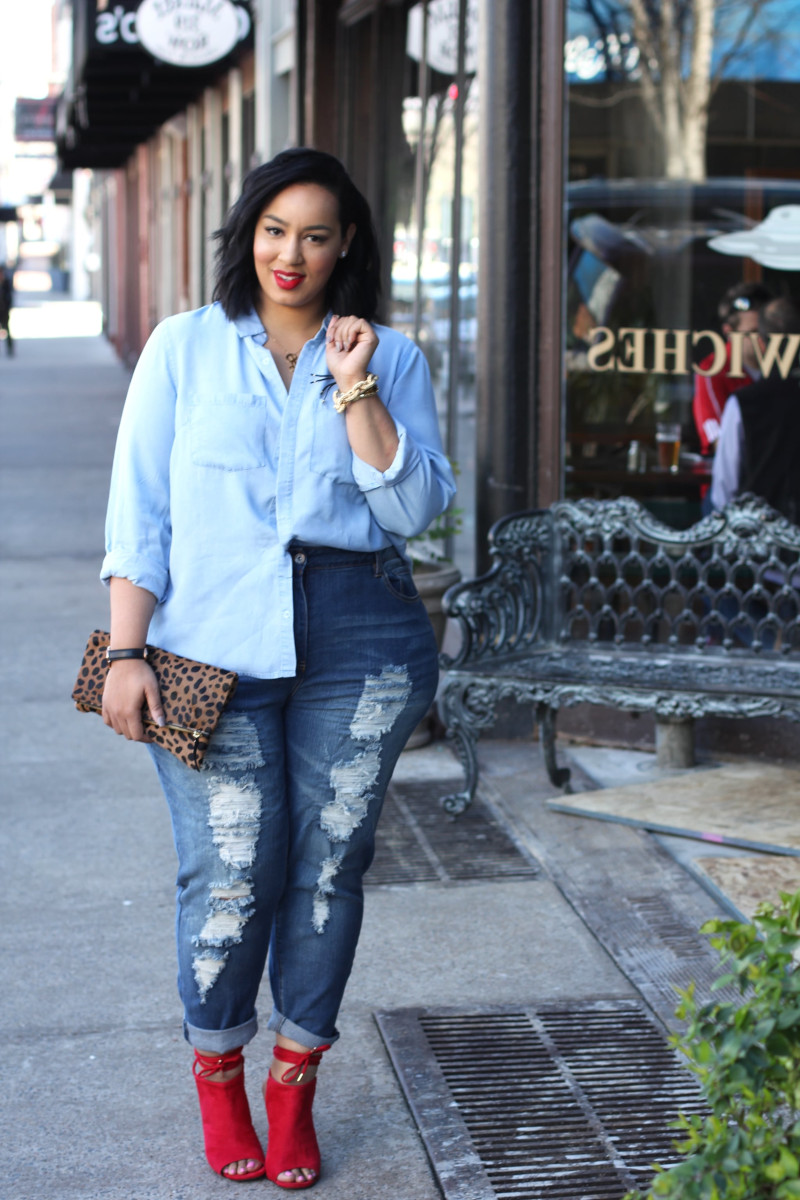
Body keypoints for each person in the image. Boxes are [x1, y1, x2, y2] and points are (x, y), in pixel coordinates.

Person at [100, 147, 456, 1188]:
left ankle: (293, 1083)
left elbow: (412, 510)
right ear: (244, 234)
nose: (289, 253)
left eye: (313, 233)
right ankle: (218, 1073)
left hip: (361, 634)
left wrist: (355, 389)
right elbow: (143, 511)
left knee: (325, 869)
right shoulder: (182, 349)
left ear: (346, 243)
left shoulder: (390, 356)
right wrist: (126, 649)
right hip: (208, 640)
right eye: (272, 230)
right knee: (227, 875)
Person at [710, 295, 800, 523]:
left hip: (758, 541)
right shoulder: (743, 401)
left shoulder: (744, 402)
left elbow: (723, 490)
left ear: (762, 343)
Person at [692, 281, 772, 456]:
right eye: (753, 332)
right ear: (729, 332)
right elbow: (721, 445)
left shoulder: (784, 368)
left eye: (767, 331)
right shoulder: (713, 369)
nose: (763, 338)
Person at [0, 264, 13, 356]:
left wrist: (8, 308)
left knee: (7, 329)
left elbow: (9, 297)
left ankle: (10, 349)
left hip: (4, 310)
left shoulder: (6, 282)